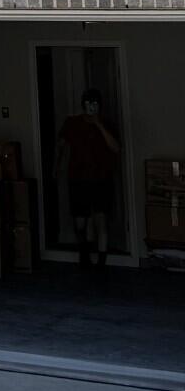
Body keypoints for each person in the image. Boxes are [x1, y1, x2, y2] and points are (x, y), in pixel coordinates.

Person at [55, 89, 121, 272]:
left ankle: (101, 262)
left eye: (95, 104)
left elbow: (116, 148)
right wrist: (57, 167)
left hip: (102, 179)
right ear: (83, 105)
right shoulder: (72, 123)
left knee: (101, 219)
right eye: (89, 103)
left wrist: (99, 125)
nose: (92, 107)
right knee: (80, 221)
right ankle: (84, 254)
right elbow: (60, 145)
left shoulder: (107, 124)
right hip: (78, 178)